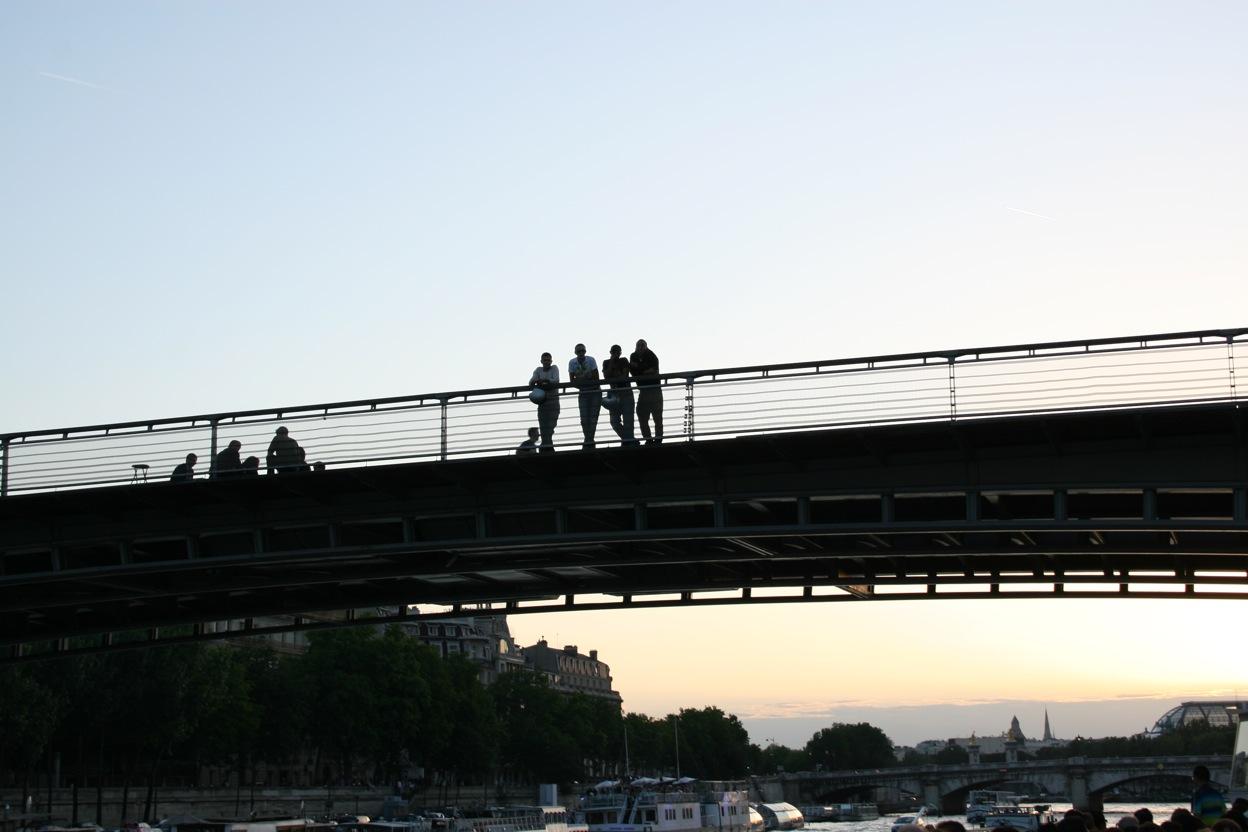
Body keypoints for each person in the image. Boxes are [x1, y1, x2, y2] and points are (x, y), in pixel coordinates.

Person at [602, 344, 637, 445]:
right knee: (614, 422)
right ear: (610, 352)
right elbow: (606, 376)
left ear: (620, 353)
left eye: (617, 352)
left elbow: (624, 376)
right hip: (614, 394)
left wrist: (614, 375)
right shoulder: (606, 362)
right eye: (614, 352)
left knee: (628, 421)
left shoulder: (624, 360)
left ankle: (628, 442)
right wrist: (611, 363)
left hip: (626, 393)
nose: (616, 354)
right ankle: (630, 440)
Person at [629, 338, 663, 444]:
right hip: (643, 391)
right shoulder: (633, 356)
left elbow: (653, 371)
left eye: (642, 345)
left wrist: (639, 369)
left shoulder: (652, 356)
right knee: (641, 414)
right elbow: (633, 372)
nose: (640, 348)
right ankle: (648, 439)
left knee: (657, 417)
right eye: (638, 346)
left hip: (655, 390)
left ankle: (658, 440)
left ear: (646, 347)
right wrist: (644, 370)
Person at [569, 343, 601, 449]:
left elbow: (596, 377)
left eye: (582, 351)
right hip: (583, 392)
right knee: (584, 419)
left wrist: (580, 380)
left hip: (595, 391)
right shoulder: (572, 362)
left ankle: (588, 441)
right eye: (579, 351)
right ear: (575, 352)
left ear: (585, 351)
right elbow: (572, 381)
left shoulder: (591, 360)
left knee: (593, 418)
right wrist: (586, 378)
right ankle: (589, 440)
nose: (581, 353)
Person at [529, 353, 560, 452]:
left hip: (553, 403)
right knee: (543, 427)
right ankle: (547, 448)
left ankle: (546, 448)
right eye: (545, 360)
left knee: (551, 427)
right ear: (541, 361)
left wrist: (543, 381)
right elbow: (531, 381)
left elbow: (556, 380)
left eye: (548, 360)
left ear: (551, 361)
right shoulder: (538, 370)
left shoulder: (554, 368)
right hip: (542, 403)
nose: (547, 362)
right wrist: (538, 381)